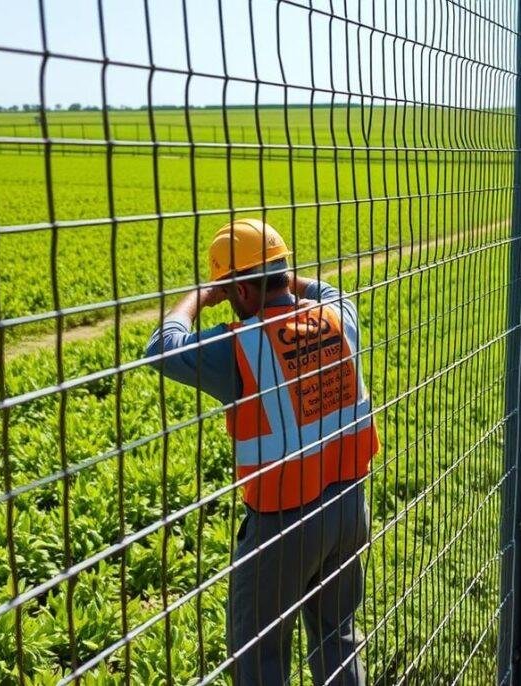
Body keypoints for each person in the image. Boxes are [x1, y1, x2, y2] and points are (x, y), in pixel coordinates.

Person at [145, 218, 378, 684]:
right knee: (338, 637)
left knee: (259, 655)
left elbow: (161, 349)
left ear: (241, 292)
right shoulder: (337, 317)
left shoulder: (240, 345)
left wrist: (198, 296)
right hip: (351, 507)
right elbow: (330, 290)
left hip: (282, 523)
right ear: (282, 274)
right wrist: (278, 274)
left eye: (229, 293)